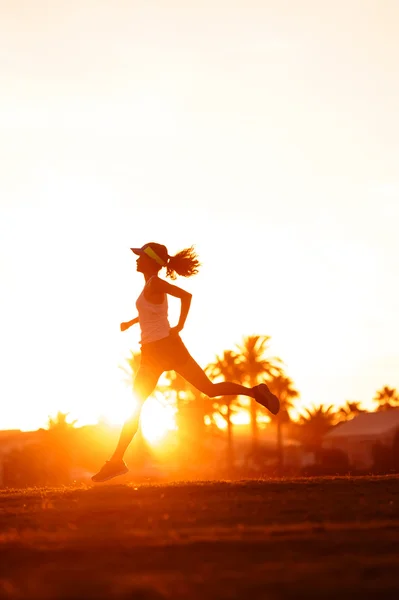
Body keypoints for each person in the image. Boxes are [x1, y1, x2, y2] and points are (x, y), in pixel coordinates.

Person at [91, 242, 280, 482]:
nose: (136, 260)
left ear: (150, 261)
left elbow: (185, 295)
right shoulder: (149, 286)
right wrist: (131, 323)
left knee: (145, 403)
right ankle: (116, 462)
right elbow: (152, 313)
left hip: (165, 348)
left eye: (140, 256)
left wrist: (179, 326)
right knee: (152, 401)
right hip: (154, 351)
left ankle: (116, 462)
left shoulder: (155, 283)